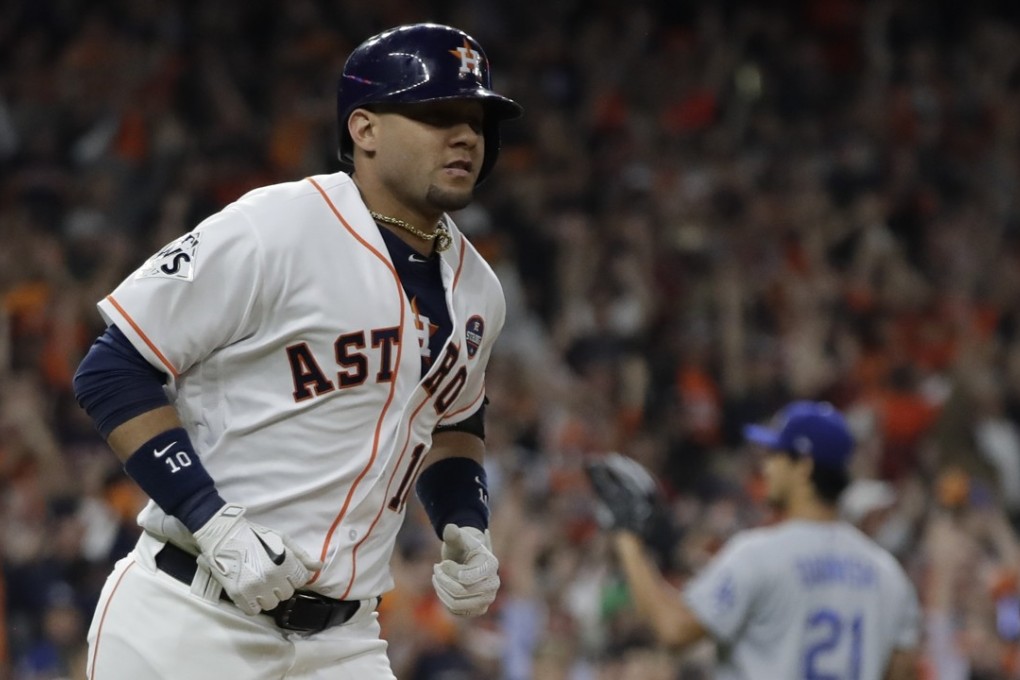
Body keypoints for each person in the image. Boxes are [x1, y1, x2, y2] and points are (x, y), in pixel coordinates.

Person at [71, 22, 522, 679]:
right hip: (190, 618)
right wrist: (211, 520)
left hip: (342, 643)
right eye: (438, 115)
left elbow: (454, 421)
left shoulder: (480, 289)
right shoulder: (275, 227)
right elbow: (113, 368)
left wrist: (466, 521)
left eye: (478, 120)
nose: (466, 136)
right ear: (364, 129)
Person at [588, 401, 921, 680]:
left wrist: (628, 541)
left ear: (804, 467)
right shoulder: (887, 573)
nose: (766, 466)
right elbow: (901, 671)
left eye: (776, 455)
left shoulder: (760, 553)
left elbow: (673, 630)